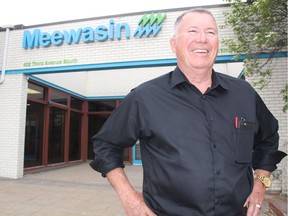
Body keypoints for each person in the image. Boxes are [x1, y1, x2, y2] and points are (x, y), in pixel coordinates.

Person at [90, 8, 286, 216]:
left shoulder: (244, 94)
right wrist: (129, 198)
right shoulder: (145, 97)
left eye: (210, 32)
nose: (202, 39)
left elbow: (268, 138)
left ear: (218, 42)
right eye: (192, 31)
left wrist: (261, 182)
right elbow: (106, 145)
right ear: (174, 45)